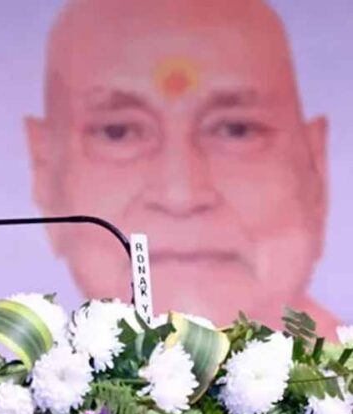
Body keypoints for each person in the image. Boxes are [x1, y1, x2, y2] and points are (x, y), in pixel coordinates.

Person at [26, 0, 339, 336]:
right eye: (119, 132)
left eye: (236, 129)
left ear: (315, 166)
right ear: (45, 171)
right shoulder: (5, 368)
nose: (180, 195)